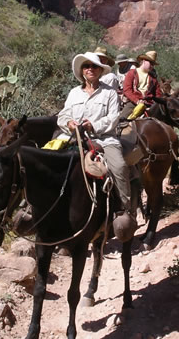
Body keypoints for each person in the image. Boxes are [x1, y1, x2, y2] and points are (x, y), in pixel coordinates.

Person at [56, 52, 137, 240]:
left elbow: (113, 118)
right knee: (48, 160)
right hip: (75, 138)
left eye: (94, 67)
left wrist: (93, 125)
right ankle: (34, 206)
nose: (90, 69)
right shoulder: (74, 93)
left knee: (119, 166)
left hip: (104, 139)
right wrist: (69, 124)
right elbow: (63, 115)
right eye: (86, 67)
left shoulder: (109, 93)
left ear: (100, 71)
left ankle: (123, 210)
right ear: (82, 72)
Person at [120, 50, 163, 120]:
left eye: (153, 64)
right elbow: (127, 90)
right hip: (133, 103)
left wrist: (157, 103)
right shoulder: (132, 73)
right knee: (121, 120)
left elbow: (158, 94)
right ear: (144, 61)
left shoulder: (153, 78)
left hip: (150, 104)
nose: (152, 66)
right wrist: (136, 100)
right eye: (151, 63)